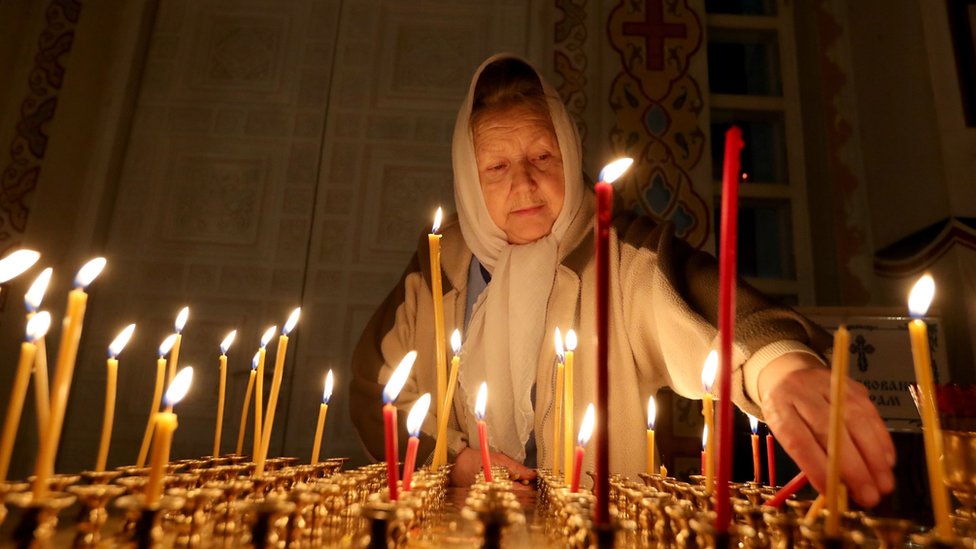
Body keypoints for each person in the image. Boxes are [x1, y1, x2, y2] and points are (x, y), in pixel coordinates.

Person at [350, 53, 895, 507]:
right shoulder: (438, 266)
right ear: (468, 180)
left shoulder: (618, 251)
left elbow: (700, 297)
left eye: (543, 154)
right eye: (496, 167)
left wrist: (779, 368)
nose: (525, 181)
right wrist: (452, 464)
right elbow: (376, 390)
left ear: (569, 152)